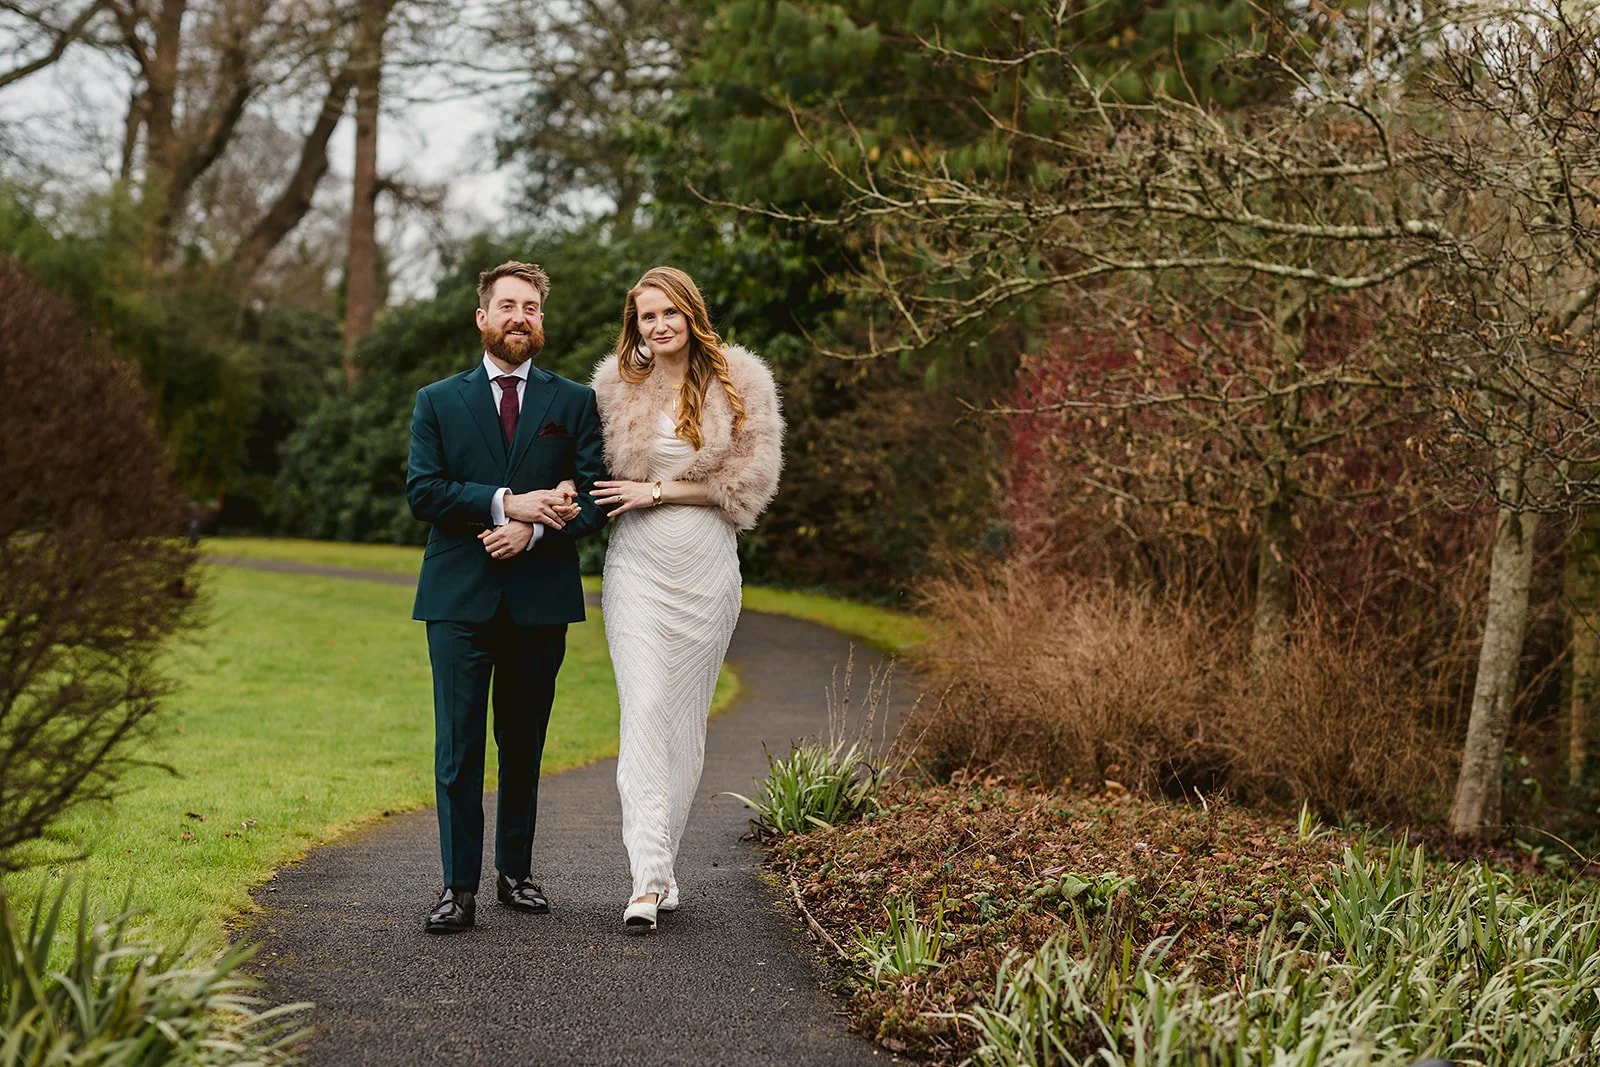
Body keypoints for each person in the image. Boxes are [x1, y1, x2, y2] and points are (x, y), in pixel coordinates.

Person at [406, 260, 608, 934]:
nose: (522, 317)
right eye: (510, 305)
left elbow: (593, 500)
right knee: (459, 747)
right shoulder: (437, 400)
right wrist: (504, 503)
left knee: (523, 742)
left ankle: (514, 873)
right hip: (458, 598)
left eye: (533, 308)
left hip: (539, 597)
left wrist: (531, 532)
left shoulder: (574, 402)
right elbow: (424, 491)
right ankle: (457, 886)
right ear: (482, 316)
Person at [590, 266, 784, 932]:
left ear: (690, 313)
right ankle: (645, 879)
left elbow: (749, 482)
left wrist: (660, 490)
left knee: (684, 723)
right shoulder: (615, 386)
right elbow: (582, 460)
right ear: (635, 325)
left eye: (669, 312)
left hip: (705, 566)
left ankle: (663, 865)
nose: (659, 324)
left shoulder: (743, 379)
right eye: (647, 316)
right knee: (643, 708)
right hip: (636, 568)